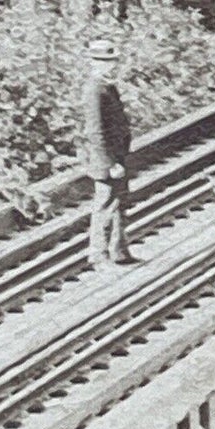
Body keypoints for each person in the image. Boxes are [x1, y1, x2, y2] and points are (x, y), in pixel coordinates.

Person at [86, 38, 133, 267]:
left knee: (118, 203)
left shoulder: (107, 86)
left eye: (113, 61)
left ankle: (119, 251)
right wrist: (109, 163)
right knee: (105, 205)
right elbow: (95, 132)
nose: (113, 65)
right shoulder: (94, 89)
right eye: (107, 61)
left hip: (116, 156)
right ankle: (98, 253)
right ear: (95, 63)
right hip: (106, 160)